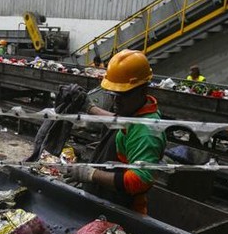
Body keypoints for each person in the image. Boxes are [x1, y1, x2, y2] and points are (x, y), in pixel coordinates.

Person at [63, 49, 167, 215]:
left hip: (121, 212)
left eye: (122, 94)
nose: (116, 101)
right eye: (113, 94)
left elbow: (140, 180)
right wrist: (89, 108)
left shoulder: (146, 131)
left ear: (142, 90)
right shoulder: (135, 111)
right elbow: (119, 121)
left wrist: (91, 174)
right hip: (103, 202)